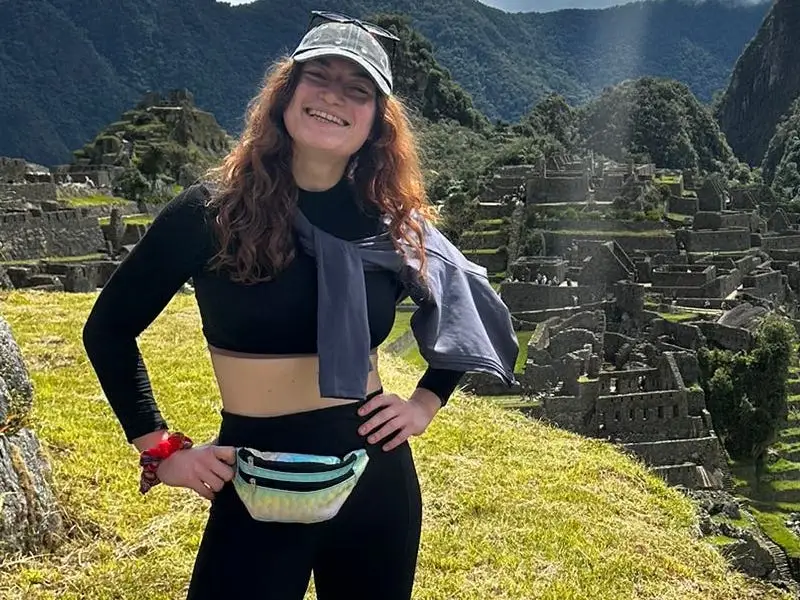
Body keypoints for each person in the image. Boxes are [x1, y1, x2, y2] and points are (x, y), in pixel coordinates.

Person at [83, 10, 517, 600]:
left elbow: (470, 308)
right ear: (286, 95)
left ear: (375, 124)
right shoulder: (210, 213)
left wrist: (423, 403)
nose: (334, 98)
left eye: (357, 90)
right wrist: (161, 450)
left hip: (374, 479)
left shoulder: (389, 223)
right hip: (253, 475)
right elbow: (109, 329)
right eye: (319, 78)